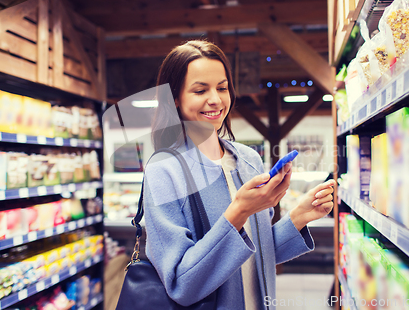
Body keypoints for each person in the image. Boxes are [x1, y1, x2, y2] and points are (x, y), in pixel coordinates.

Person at [142, 40, 335, 309]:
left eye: (222, 87)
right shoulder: (164, 172)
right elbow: (181, 284)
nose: (215, 99)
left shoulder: (248, 160)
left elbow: (255, 255)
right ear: (174, 98)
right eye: (200, 90)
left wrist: (300, 216)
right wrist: (239, 212)